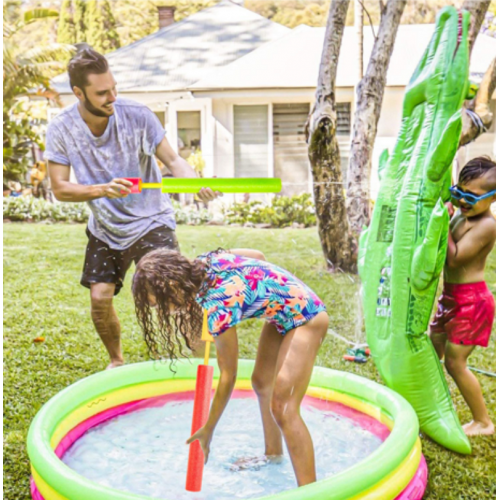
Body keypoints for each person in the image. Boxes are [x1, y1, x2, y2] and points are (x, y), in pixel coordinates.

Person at [44, 48, 220, 369]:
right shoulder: (61, 129)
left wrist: (195, 186)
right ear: (78, 93)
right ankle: (116, 362)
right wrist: (101, 189)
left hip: (151, 220)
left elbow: (175, 160)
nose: (112, 96)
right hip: (106, 227)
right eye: (102, 93)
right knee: (100, 299)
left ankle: (207, 365)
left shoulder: (137, 115)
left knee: (175, 295)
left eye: (114, 88)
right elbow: (60, 188)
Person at [132, 248, 329, 487]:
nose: (167, 311)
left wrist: (209, 428)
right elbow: (258, 257)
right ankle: (273, 455)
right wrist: (270, 291)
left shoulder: (219, 304)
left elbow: (229, 375)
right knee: (261, 381)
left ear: (173, 285)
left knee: (283, 406)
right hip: (282, 313)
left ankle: (310, 491)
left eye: (162, 304)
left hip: (307, 316)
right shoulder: (206, 262)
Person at [430, 156, 496, 436]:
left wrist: (441, 223)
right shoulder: (462, 212)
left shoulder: (486, 225)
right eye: (459, 193)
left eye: (473, 196)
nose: (463, 201)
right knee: (432, 345)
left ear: (493, 198)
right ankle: (434, 403)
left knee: (456, 363)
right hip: (452, 297)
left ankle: (483, 422)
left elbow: (454, 258)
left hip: (472, 303)